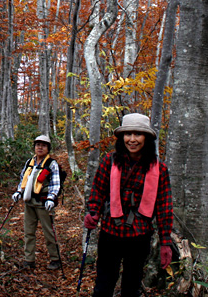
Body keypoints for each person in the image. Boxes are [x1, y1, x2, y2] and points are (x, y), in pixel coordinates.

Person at [84, 113, 173, 297]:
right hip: (110, 234)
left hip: (139, 237)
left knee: (131, 287)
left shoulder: (159, 169)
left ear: (147, 138)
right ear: (122, 137)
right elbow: (98, 191)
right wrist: (93, 212)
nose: (132, 139)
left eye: (138, 134)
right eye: (128, 134)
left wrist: (165, 243)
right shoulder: (109, 161)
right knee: (103, 285)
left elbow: (164, 207)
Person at [12, 134, 62, 270]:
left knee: (48, 232)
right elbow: (23, 179)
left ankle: (55, 259)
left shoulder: (52, 164)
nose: (40, 147)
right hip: (29, 203)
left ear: (48, 148)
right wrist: (18, 192)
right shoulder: (30, 162)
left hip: (44, 203)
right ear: (34, 147)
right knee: (28, 232)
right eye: (38, 145)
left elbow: (55, 183)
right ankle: (29, 260)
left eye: (43, 145)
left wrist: (52, 197)